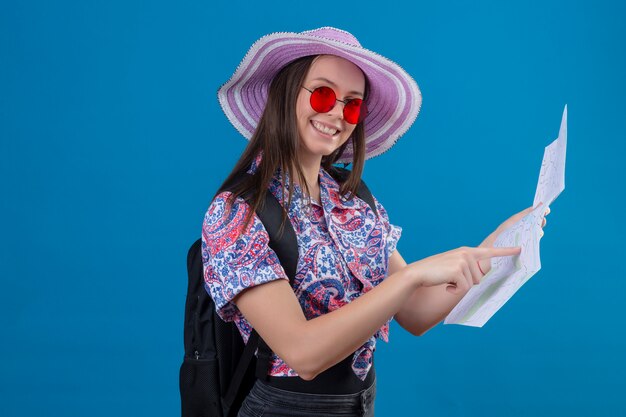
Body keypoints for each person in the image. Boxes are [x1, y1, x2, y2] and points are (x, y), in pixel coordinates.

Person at [201, 27, 549, 417]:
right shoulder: (236, 212)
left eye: (352, 105)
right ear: (285, 93)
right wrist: (409, 277)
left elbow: (415, 313)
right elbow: (302, 354)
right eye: (323, 94)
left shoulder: (354, 200)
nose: (336, 113)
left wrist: (495, 247)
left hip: (360, 404)